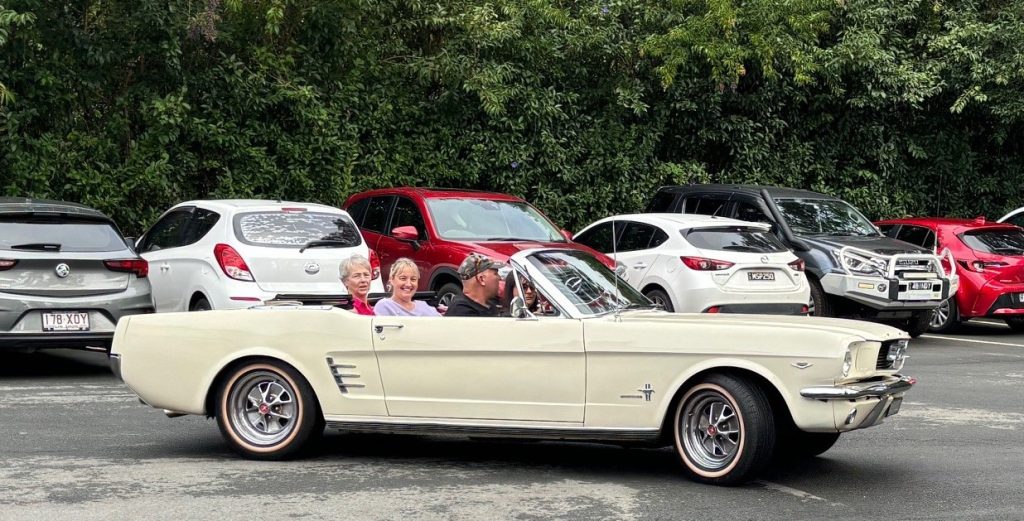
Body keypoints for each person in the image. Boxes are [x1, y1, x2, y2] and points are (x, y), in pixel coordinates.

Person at [374, 258, 442, 317]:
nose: (408, 284)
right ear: (392, 279)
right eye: (403, 278)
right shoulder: (384, 306)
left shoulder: (425, 307)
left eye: (413, 279)